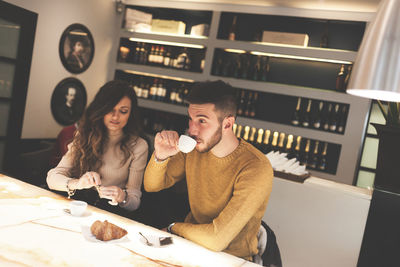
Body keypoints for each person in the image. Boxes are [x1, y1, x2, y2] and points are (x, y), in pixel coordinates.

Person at [144, 80, 274, 261]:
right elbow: (152, 185)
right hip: (188, 246)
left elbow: (216, 239)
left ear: (227, 124)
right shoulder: (194, 149)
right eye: (190, 119)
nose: (192, 129)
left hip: (230, 259)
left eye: (202, 121)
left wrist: (174, 227)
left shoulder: (256, 167)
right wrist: (161, 156)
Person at [47, 80, 148, 216]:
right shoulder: (84, 135)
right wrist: (78, 183)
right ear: (101, 109)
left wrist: (122, 197)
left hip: (110, 213)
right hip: (78, 207)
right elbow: (52, 179)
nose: (115, 116)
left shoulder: (139, 146)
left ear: (130, 114)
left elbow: (134, 202)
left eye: (123, 111)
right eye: (110, 109)